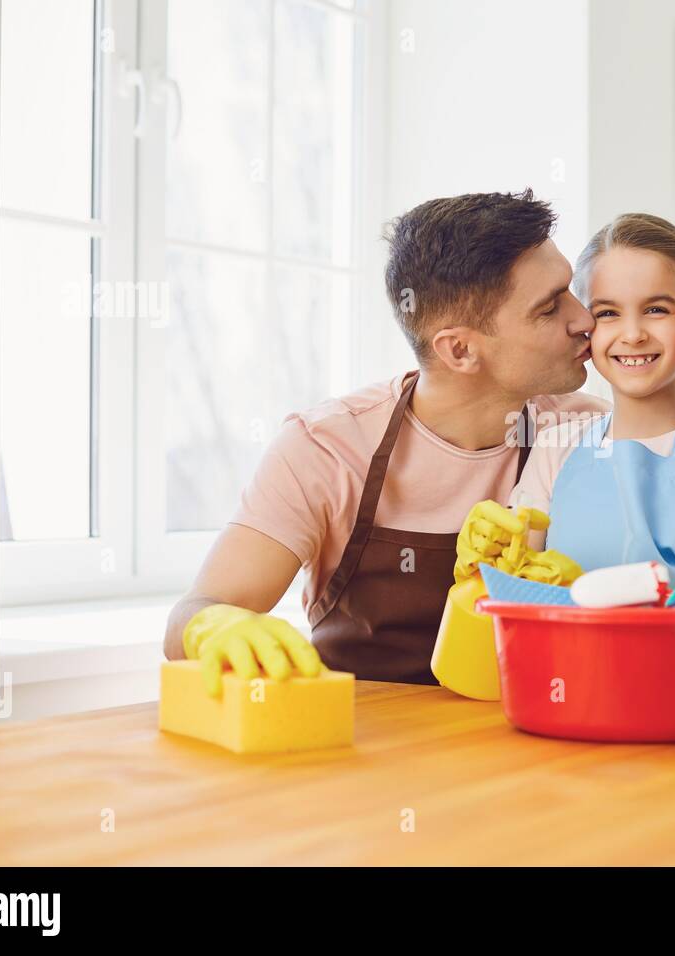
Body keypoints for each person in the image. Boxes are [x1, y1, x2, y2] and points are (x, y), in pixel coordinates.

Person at [164, 190, 608, 690]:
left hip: (520, 745)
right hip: (357, 748)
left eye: (570, 291)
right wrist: (214, 624)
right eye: (550, 309)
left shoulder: (590, 435)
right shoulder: (326, 448)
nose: (584, 320)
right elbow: (194, 614)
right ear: (459, 349)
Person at [506, 213, 675, 581]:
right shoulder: (554, 447)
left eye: (656, 310)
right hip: (556, 640)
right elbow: (514, 584)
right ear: (585, 327)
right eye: (608, 313)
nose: (632, 334)